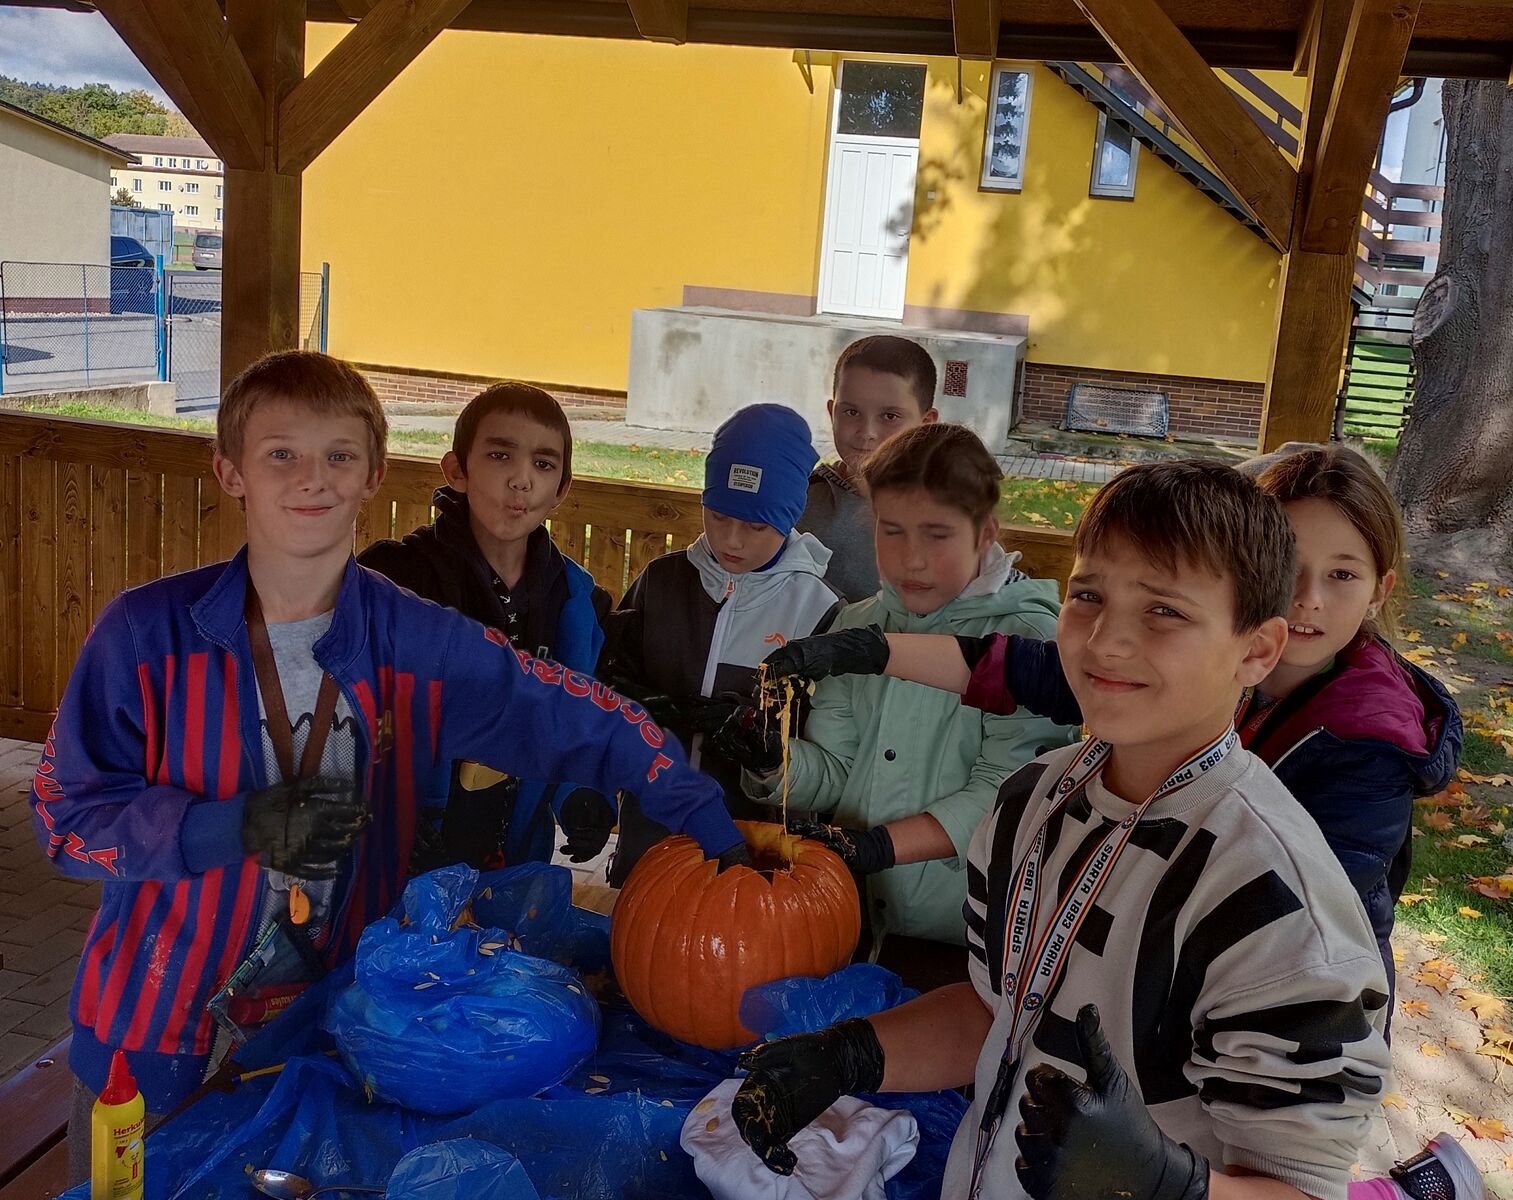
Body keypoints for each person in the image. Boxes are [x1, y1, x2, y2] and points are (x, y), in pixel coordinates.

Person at [32, 351, 748, 1185]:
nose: (313, 478)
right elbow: (66, 818)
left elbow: (549, 704)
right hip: (153, 1030)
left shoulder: (411, 638)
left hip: (331, 1033)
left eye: (338, 455)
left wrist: (683, 794)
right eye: (281, 454)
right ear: (230, 471)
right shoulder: (144, 636)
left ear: (372, 473)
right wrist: (231, 826)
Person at [732, 459, 1393, 1200]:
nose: (1105, 641)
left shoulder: (1271, 901)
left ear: (1257, 650)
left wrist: (1168, 1186)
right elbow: (1000, 1010)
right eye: (1088, 595)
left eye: (1164, 610)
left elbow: (1303, 1186)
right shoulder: (1030, 802)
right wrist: (848, 1057)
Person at [767, 444, 1461, 1012]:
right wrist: (869, 649)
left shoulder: (1368, 745)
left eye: (1341, 575)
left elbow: (1299, 933)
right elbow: (1027, 670)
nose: (1306, 597)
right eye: (1291, 566)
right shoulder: (1159, 698)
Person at [715, 423, 1076, 984]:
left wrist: (878, 847)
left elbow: (1007, 797)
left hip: (967, 934)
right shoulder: (857, 623)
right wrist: (773, 764)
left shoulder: (1026, 639)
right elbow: (838, 770)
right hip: (855, 916)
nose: (912, 560)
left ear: (984, 534)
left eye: (937, 535)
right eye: (892, 531)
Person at [359, 383, 617, 872]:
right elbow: (345, 709)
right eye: (500, 456)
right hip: (401, 849)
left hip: (513, 850)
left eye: (544, 464)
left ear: (562, 489)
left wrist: (582, 792)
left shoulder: (573, 599)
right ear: (457, 471)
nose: (522, 479)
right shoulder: (395, 580)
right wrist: (379, 806)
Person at [599, 403, 844, 885]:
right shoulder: (661, 581)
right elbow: (608, 690)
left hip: (751, 839)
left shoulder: (819, 610)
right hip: (651, 826)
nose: (732, 540)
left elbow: (828, 750)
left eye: (756, 526)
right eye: (718, 516)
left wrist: (761, 744)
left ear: (789, 517)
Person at [797, 334, 939, 602]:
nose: (867, 432)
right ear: (832, 412)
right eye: (851, 412)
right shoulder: (798, 500)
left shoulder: (949, 513)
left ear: (926, 424)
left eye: (890, 416)